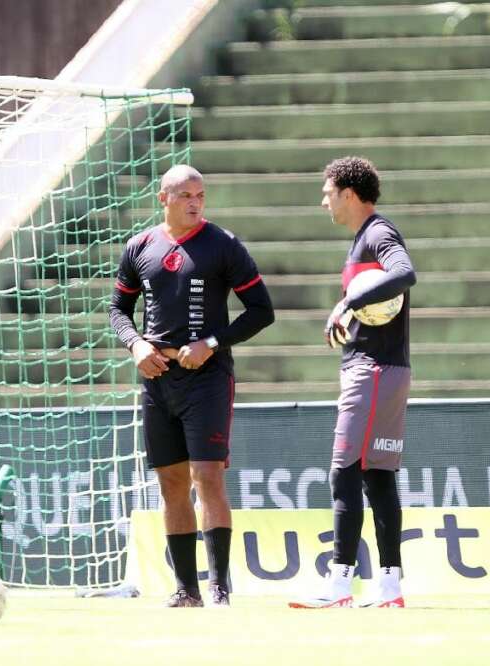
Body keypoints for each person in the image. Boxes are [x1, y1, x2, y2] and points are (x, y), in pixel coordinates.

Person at [109, 165, 274, 607]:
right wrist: (136, 345)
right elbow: (118, 310)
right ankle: (187, 590)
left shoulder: (223, 244)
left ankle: (220, 588)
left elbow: (261, 310)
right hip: (158, 379)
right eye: (184, 194)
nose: (194, 202)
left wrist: (211, 343)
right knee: (171, 483)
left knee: (208, 478)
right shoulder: (139, 246)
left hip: (207, 379)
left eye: (200, 194)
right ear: (163, 198)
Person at [289, 157, 416, 609]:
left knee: (343, 471)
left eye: (328, 193)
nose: (324, 201)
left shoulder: (378, 233)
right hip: (388, 368)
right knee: (377, 476)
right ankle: (389, 586)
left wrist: (346, 303)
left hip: (372, 370)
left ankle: (339, 582)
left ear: (348, 193)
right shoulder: (365, 238)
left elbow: (404, 274)